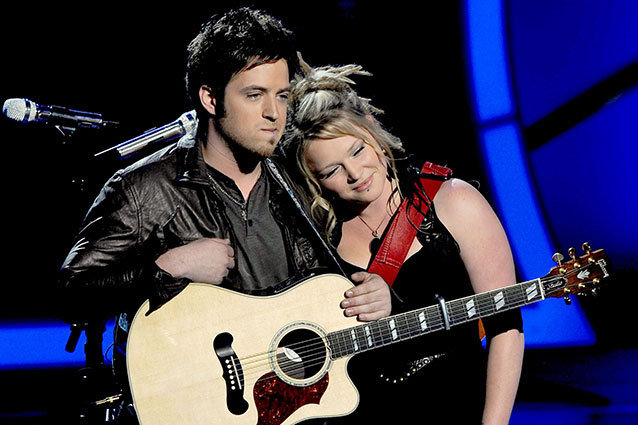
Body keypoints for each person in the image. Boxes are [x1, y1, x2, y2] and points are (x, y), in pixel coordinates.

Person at [57, 8, 392, 423]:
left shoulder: (297, 181)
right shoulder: (147, 189)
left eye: (282, 95)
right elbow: (71, 292)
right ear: (210, 98)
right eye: (254, 95)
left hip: (287, 407)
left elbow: (317, 292)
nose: (274, 113)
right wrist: (167, 267)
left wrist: (369, 294)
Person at [281, 58, 525, 424]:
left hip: (456, 406)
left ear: (374, 133)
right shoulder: (316, 239)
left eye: (358, 151)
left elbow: (505, 325)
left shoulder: (453, 201)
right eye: (332, 171)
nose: (355, 174)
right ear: (314, 180)